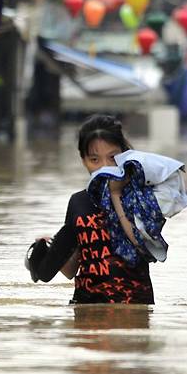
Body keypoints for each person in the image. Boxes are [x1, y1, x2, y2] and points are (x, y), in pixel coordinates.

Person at [28, 114, 156, 304]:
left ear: (125, 153)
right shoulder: (79, 202)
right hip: (86, 308)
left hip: (134, 305)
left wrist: (115, 195)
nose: (104, 166)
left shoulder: (142, 197)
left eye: (112, 157)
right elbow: (71, 270)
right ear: (83, 160)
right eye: (94, 159)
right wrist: (49, 248)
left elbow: (147, 249)